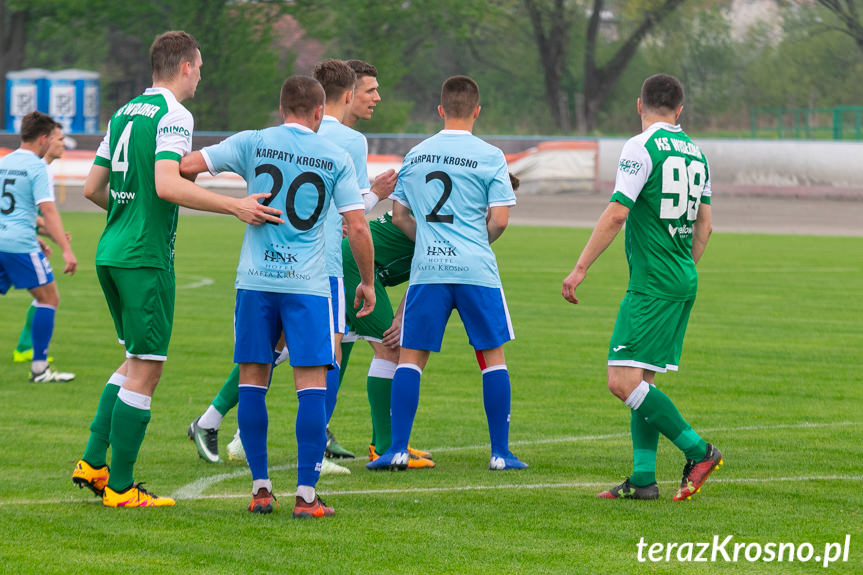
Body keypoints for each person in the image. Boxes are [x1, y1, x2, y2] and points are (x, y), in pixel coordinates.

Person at [71, 30, 282, 509]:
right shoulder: (174, 114)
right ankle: (121, 488)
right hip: (144, 257)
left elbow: (92, 187)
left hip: (113, 250)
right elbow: (168, 184)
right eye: (200, 67)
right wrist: (234, 207)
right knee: (147, 370)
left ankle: (93, 462)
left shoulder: (124, 112)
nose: (202, 75)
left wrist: (126, 215)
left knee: (131, 362)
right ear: (186, 66)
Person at [180, 75, 376, 518]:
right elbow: (358, 226)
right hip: (307, 286)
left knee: (253, 380)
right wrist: (365, 280)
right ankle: (306, 496)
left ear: (280, 107)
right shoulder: (336, 154)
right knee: (311, 386)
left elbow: (186, 166)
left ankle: (261, 489)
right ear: (320, 112)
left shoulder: (253, 141)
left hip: (255, 281)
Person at [561, 73, 722, 501]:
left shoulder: (641, 146)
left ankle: (699, 451)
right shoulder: (698, 154)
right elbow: (705, 227)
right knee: (641, 380)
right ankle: (643, 480)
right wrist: (682, 269)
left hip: (652, 284)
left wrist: (579, 269)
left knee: (621, 380)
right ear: (680, 110)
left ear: (640, 105)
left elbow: (617, 213)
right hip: (681, 278)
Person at [367, 75, 527, 472]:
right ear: (477, 111)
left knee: (410, 358)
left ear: (440, 110)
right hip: (475, 268)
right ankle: (500, 453)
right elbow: (501, 221)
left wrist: (429, 242)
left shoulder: (417, 154)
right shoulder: (490, 155)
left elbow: (400, 215)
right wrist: (474, 241)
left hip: (429, 269)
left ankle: (397, 449)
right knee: (492, 358)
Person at [342, 174, 519, 468]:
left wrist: (402, 314)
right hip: (355, 268)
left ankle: (390, 444)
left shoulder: (437, 214)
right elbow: (427, 263)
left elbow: (424, 269)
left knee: (281, 350)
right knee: (391, 350)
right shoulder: (455, 227)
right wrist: (401, 316)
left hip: (364, 269)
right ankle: (385, 446)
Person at [0, 111, 77, 382]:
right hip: (19, 245)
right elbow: (48, 210)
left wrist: (38, 236)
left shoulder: (4, 161)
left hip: (3, 240)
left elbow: (12, 209)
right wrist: (65, 249)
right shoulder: (37, 166)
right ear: (43, 138)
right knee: (49, 299)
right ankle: (40, 369)